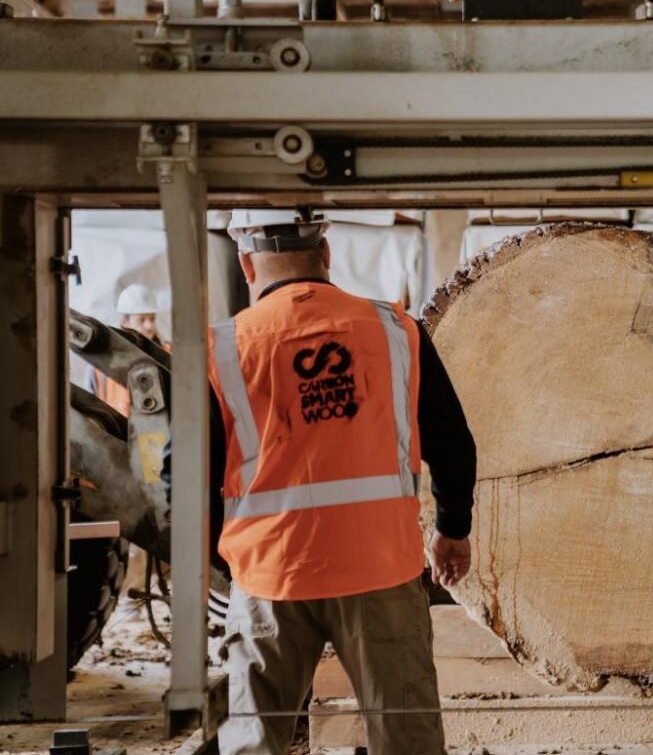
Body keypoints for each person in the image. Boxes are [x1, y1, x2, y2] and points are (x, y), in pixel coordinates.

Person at [204, 209, 477, 755]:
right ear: (325, 253)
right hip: (381, 568)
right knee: (408, 741)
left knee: (253, 742)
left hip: (269, 574)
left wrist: (220, 562)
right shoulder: (396, 331)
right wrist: (451, 530)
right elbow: (452, 441)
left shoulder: (223, 348)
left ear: (245, 263)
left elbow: (185, 471)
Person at [86, 283, 165, 416]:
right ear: (124, 322)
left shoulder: (168, 355)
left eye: (152, 318)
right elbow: (90, 408)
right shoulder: (100, 365)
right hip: (115, 436)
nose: (149, 325)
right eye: (142, 320)